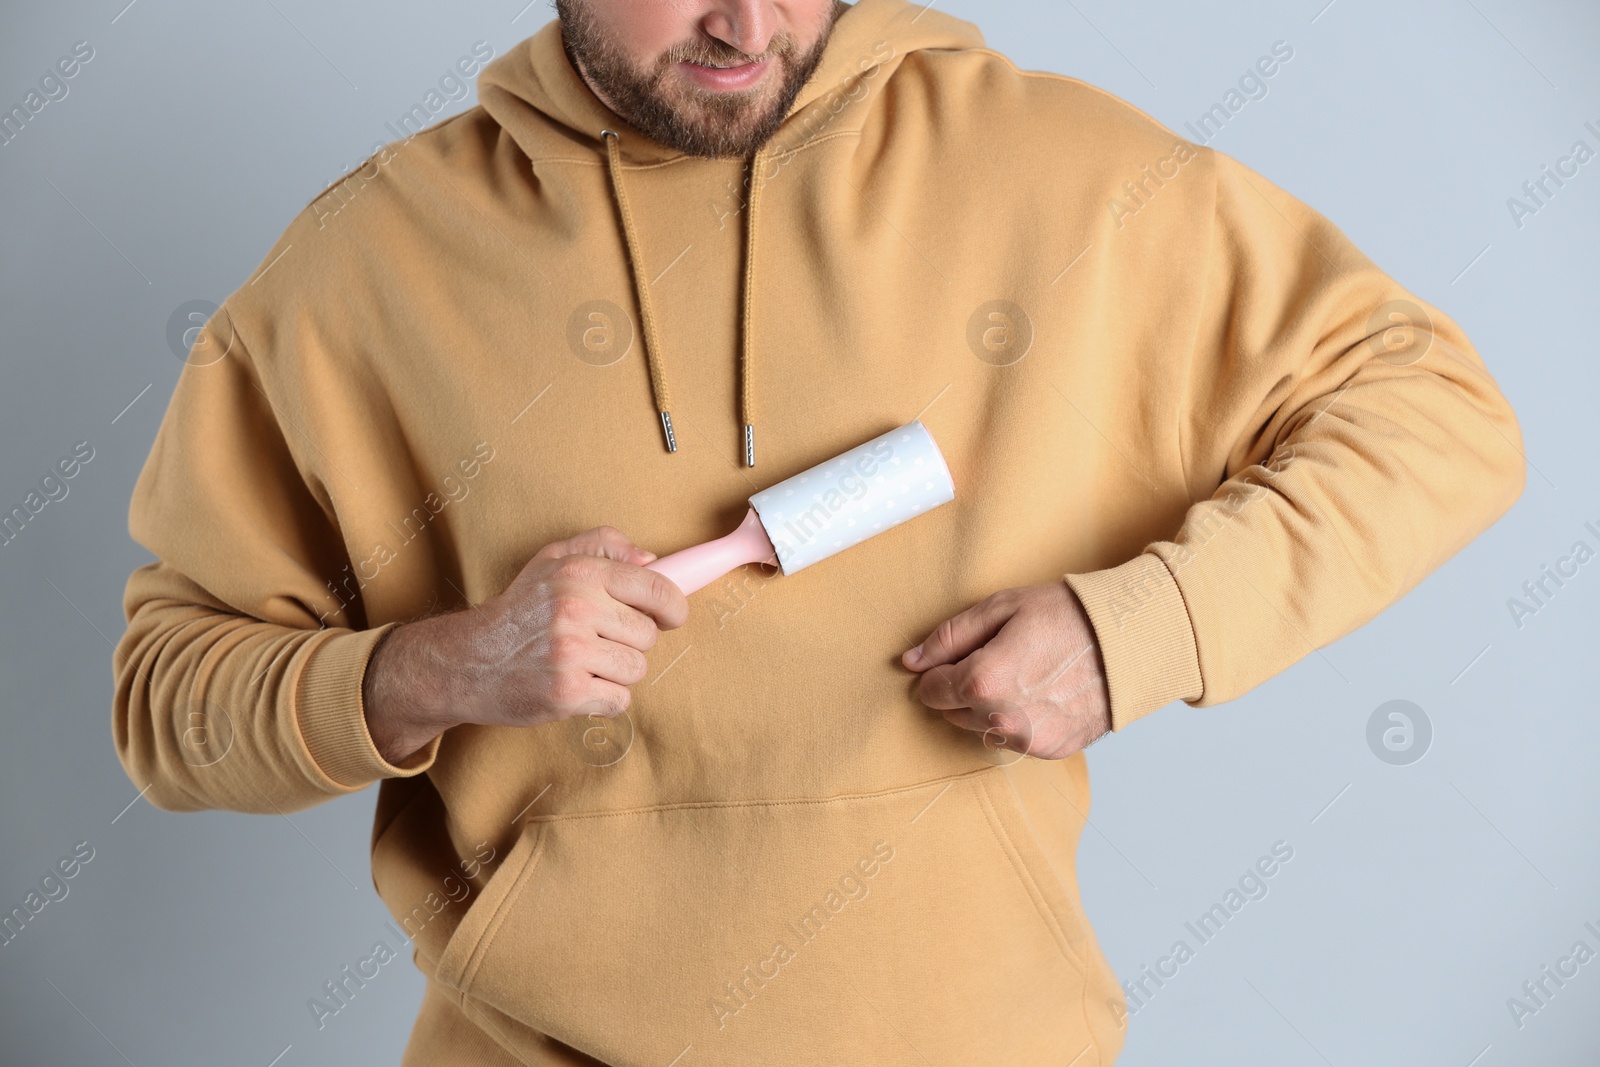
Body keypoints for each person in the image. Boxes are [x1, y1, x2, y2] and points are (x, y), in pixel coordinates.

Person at [113, 0, 1525, 1062]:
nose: (746, 22)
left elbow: (1439, 413)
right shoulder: (368, 263)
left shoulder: (1065, 175)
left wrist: (1140, 629)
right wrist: (434, 669)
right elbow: (161, 702)